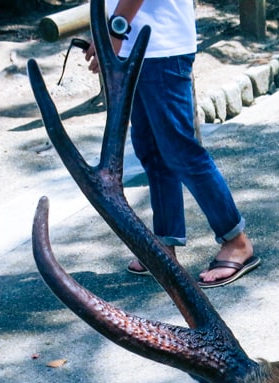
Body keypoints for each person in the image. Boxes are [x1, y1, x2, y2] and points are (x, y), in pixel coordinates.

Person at [87, 0, 259, 287]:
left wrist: (114, 30)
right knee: (152, 150)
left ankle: (237, 241)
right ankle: (165, 243)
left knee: (181, 150)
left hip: (161, 46)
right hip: (139, 42)